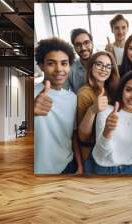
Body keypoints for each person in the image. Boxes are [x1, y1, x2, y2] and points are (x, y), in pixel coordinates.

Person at [34, 37, 83, 174]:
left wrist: (79, 165)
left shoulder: (72, 98)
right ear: (41, 65)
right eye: (51, 63)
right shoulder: (31, 94)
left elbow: (72, 135)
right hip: (38, 171)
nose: (59, 69)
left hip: (67, 166)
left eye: (64, 63)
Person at [92, 70, 132, 174]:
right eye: (129, 90)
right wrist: (108, 130)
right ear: (122, 89)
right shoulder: (105, 111)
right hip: (104, 170)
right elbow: (102, 154)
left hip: (131, 169)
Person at [77, 51, 120, 174]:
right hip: (92, 152)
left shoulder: (113, 89)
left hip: (110, 150)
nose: (104, 69)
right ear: (91, 67)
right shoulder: (84, 93)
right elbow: (83, 136)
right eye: (99, 64)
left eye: (108, 66)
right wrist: (92, 110)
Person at [65, 28, 94, 93]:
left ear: (92, 43)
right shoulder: (71, 70)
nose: (83, 48)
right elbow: (64, 92)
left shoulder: (103, 63)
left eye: (86, 43)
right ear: (74, 48)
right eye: (78, 45)